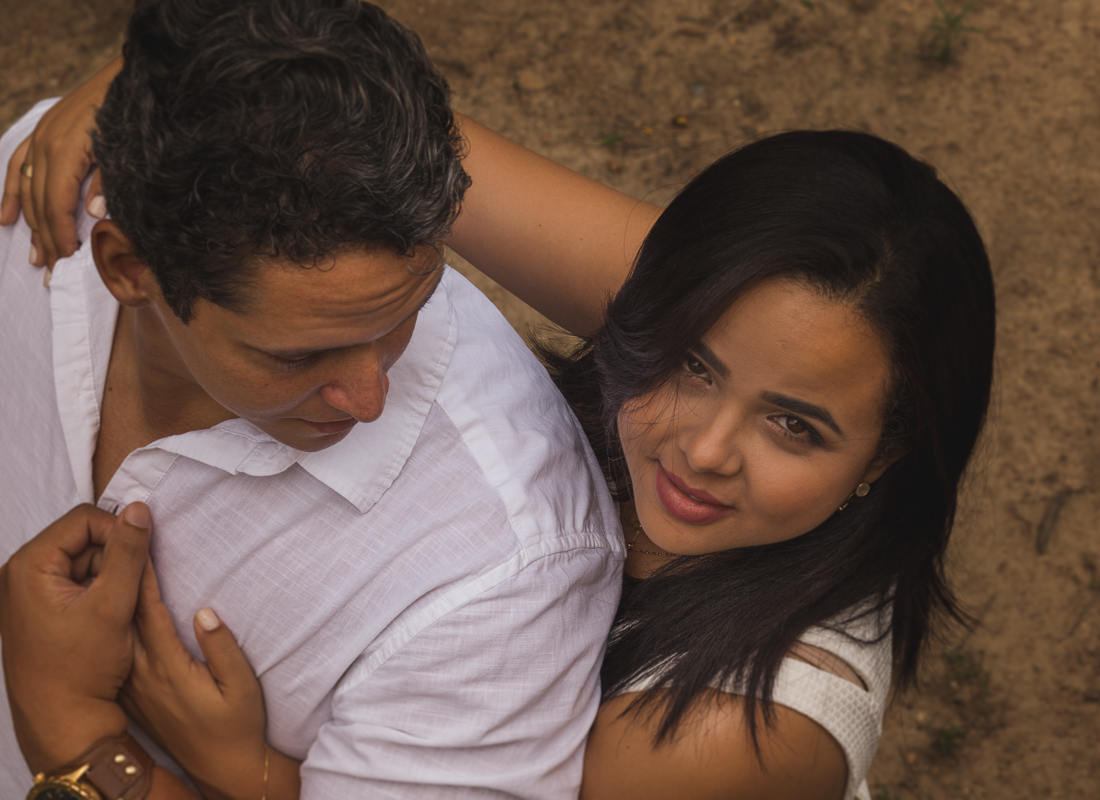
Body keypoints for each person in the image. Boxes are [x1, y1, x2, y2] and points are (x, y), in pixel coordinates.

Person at [4, 16, 995, 800]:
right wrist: (179, 89)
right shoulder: (763, 322)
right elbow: (404, 145)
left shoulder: (704, 742)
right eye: (692, 363)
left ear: (886, 456)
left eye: (795, 425)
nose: (704, 447)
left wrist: (132, 744)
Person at [0, 1, 626, 798]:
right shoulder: (34, 185)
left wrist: (74, 735)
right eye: (296, 354)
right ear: (127, 268)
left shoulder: (497, 575)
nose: (369, 398)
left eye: (409, 310)